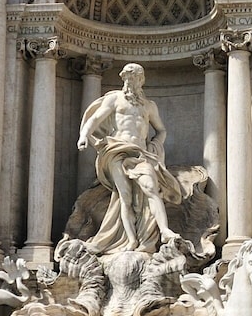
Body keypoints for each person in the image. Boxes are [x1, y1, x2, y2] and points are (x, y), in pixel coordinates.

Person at [76, 63, 185, 255]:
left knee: (151, 188)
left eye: (135, 77)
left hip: (141, 153)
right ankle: (131, 239)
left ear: (141, 80)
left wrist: (155, 145)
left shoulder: (149, 106)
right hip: (117, 150)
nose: (131, 81)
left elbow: (161, 130)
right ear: (123, 79)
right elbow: (94, 120)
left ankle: (165, 231)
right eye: (128, 77)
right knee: (124, 196)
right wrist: (84, 136)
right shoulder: (115, 100)